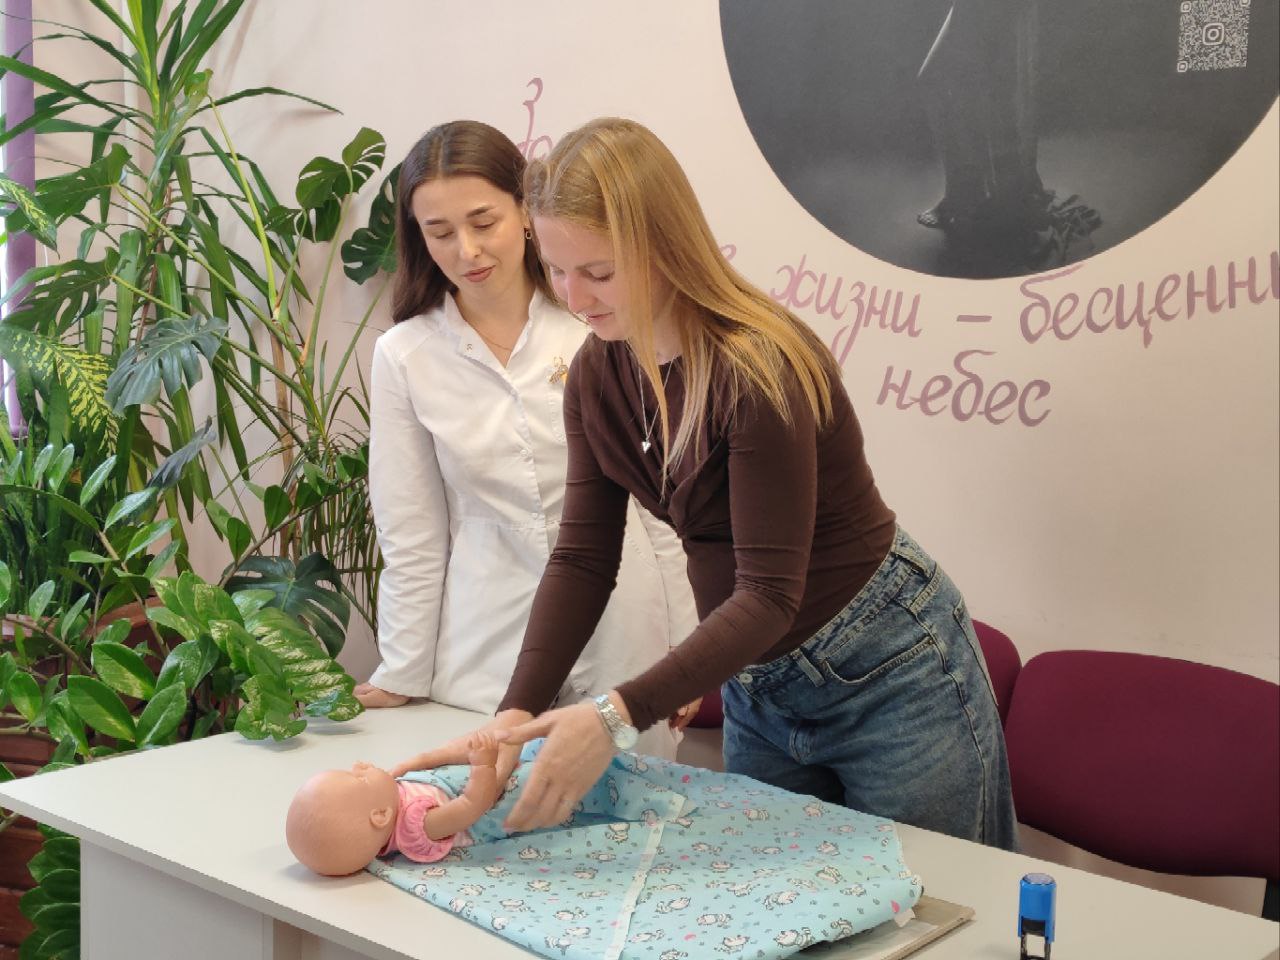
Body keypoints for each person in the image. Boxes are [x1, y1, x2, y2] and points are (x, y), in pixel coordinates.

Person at [398, 117, 1017, 851]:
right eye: (558, 270)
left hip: (889, 670)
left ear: (663, 246)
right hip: (760, 684)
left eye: (599, 272)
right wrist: (514, 715)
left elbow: (769, 593)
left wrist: (614, 716)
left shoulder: (759, 367)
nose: (575, 297)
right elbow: (583, 557)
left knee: (934, 895)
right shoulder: (598, 373)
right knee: (779, 898)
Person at [358, 120, 699, 760]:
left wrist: (686, 647)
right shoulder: (406, 354)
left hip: (624, 625)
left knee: (634, 806)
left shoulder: (599, 321)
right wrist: (402, 669)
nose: (467, 250)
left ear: (525, 210)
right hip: (487, 640)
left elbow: (662, 508)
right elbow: (411, 531)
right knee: (493, 807)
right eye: (440, 232)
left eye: (483, 222)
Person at [286, 733, 506, 875]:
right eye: (360, 778)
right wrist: (484, 765)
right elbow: (472, 805)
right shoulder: (420, 826)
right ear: (381, 815)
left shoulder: (389, 799)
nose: (359, 767)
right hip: (506, 794)